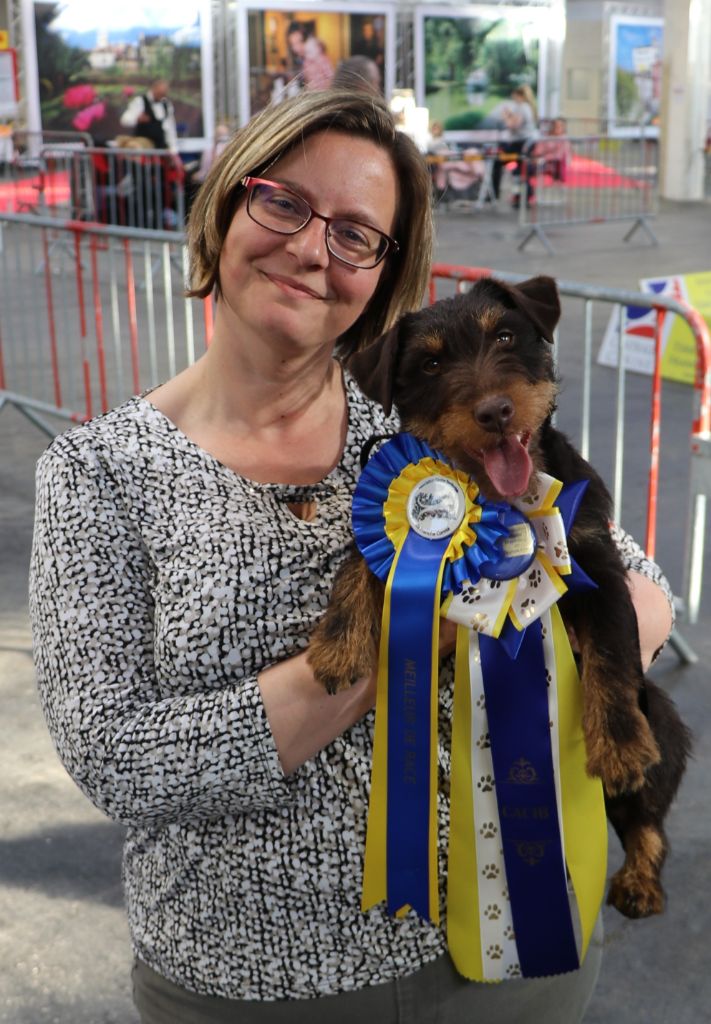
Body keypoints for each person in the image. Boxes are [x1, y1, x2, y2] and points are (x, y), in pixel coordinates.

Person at [29, 90, 674, 1023]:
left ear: (382, 272)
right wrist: (405, 647)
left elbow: (640, 591)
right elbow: (119, 762)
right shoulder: (98, 471)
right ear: (223, 207)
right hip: (255, 985)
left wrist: (526, 615)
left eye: (356, 234)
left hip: (518, 940)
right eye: (283, 203)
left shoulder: (424, 415)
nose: (309, 250)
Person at [491, 84, 538, 204]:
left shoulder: (522, 107)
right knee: (521, 170)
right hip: (522, 144)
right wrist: (509, 116)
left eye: (514, 96)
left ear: (519, 96)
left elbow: (514, 125)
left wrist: (505, 117)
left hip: (520, 144)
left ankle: (495, 194)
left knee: (501, 163)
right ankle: (522, 197)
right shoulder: (527, 107)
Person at [119, 78, 178, 154]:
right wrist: (137, 119)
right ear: (154, 89)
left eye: (164, 94)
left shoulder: (167, 104)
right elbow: (124, 120)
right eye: (160, 93)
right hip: (143, 148)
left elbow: (170, 128)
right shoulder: (140, 101)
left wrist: (173, 149)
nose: (162, 96)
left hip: (160, 147)